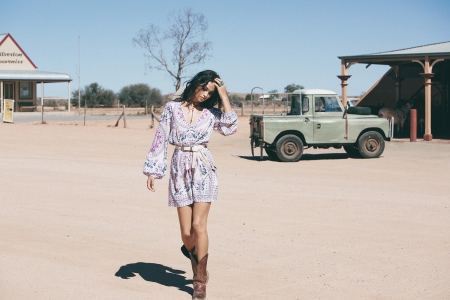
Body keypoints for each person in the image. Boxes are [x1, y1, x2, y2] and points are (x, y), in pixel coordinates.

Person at [143, 70, 238, 300]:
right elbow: (161, 138)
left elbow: (230, 127)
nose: (205, 94)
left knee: (199, 225)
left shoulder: (211, 113)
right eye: (204, 88)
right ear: (196, 84)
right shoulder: (172, 109)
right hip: (179, 169)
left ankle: (199, 281)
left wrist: (224, 96)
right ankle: (195, 254)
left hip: (204, 168)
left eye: (211, 92)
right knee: (187, 235)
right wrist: (154, 170)